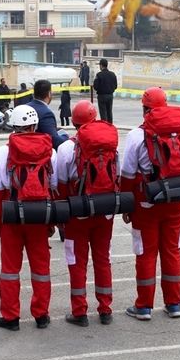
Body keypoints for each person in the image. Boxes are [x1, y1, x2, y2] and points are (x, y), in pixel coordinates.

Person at [0, 104, 57, 331]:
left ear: (13, 126)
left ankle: (11, 316)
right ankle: (41, 315)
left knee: (9, 269)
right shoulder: (50, 150)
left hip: (11, 214)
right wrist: (51, 222)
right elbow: (54, 189)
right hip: (39, 216)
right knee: (41, 268)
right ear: (35, 125)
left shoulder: (1, 152)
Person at [121, 87, 180, 321]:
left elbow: (128, 175)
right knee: (172, 252)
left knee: (146, 253)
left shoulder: (136, 136)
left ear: (144, 108)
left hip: (146, 204)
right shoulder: (179, 132)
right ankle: (174, 304)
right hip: (176, 202)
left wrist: (127, 207)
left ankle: (144, 306)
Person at [56, 100, 116, 327]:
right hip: (105, 209)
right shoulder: (110, 142)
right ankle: (105, 309)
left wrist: (62, 215)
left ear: (73, 122)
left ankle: (79, 311)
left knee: (76, 261)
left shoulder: (65, 148)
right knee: (103, 259)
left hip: (77, 211)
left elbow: (60, 184)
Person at [27, 79, 67, 149]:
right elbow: (55, 141)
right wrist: (65, 136)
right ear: (49, 94)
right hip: (39, 153)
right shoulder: (46, 114)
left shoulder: (25, 106)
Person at [93, 58, 117, 123]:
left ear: (101, 65)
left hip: (102, 96)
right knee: (109, 112)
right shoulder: (112, 74)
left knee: (103, 113)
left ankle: (104, 127)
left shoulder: (99, 75)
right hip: (110, 96)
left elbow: (95, 87)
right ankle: (110, 127)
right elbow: (115, 86)